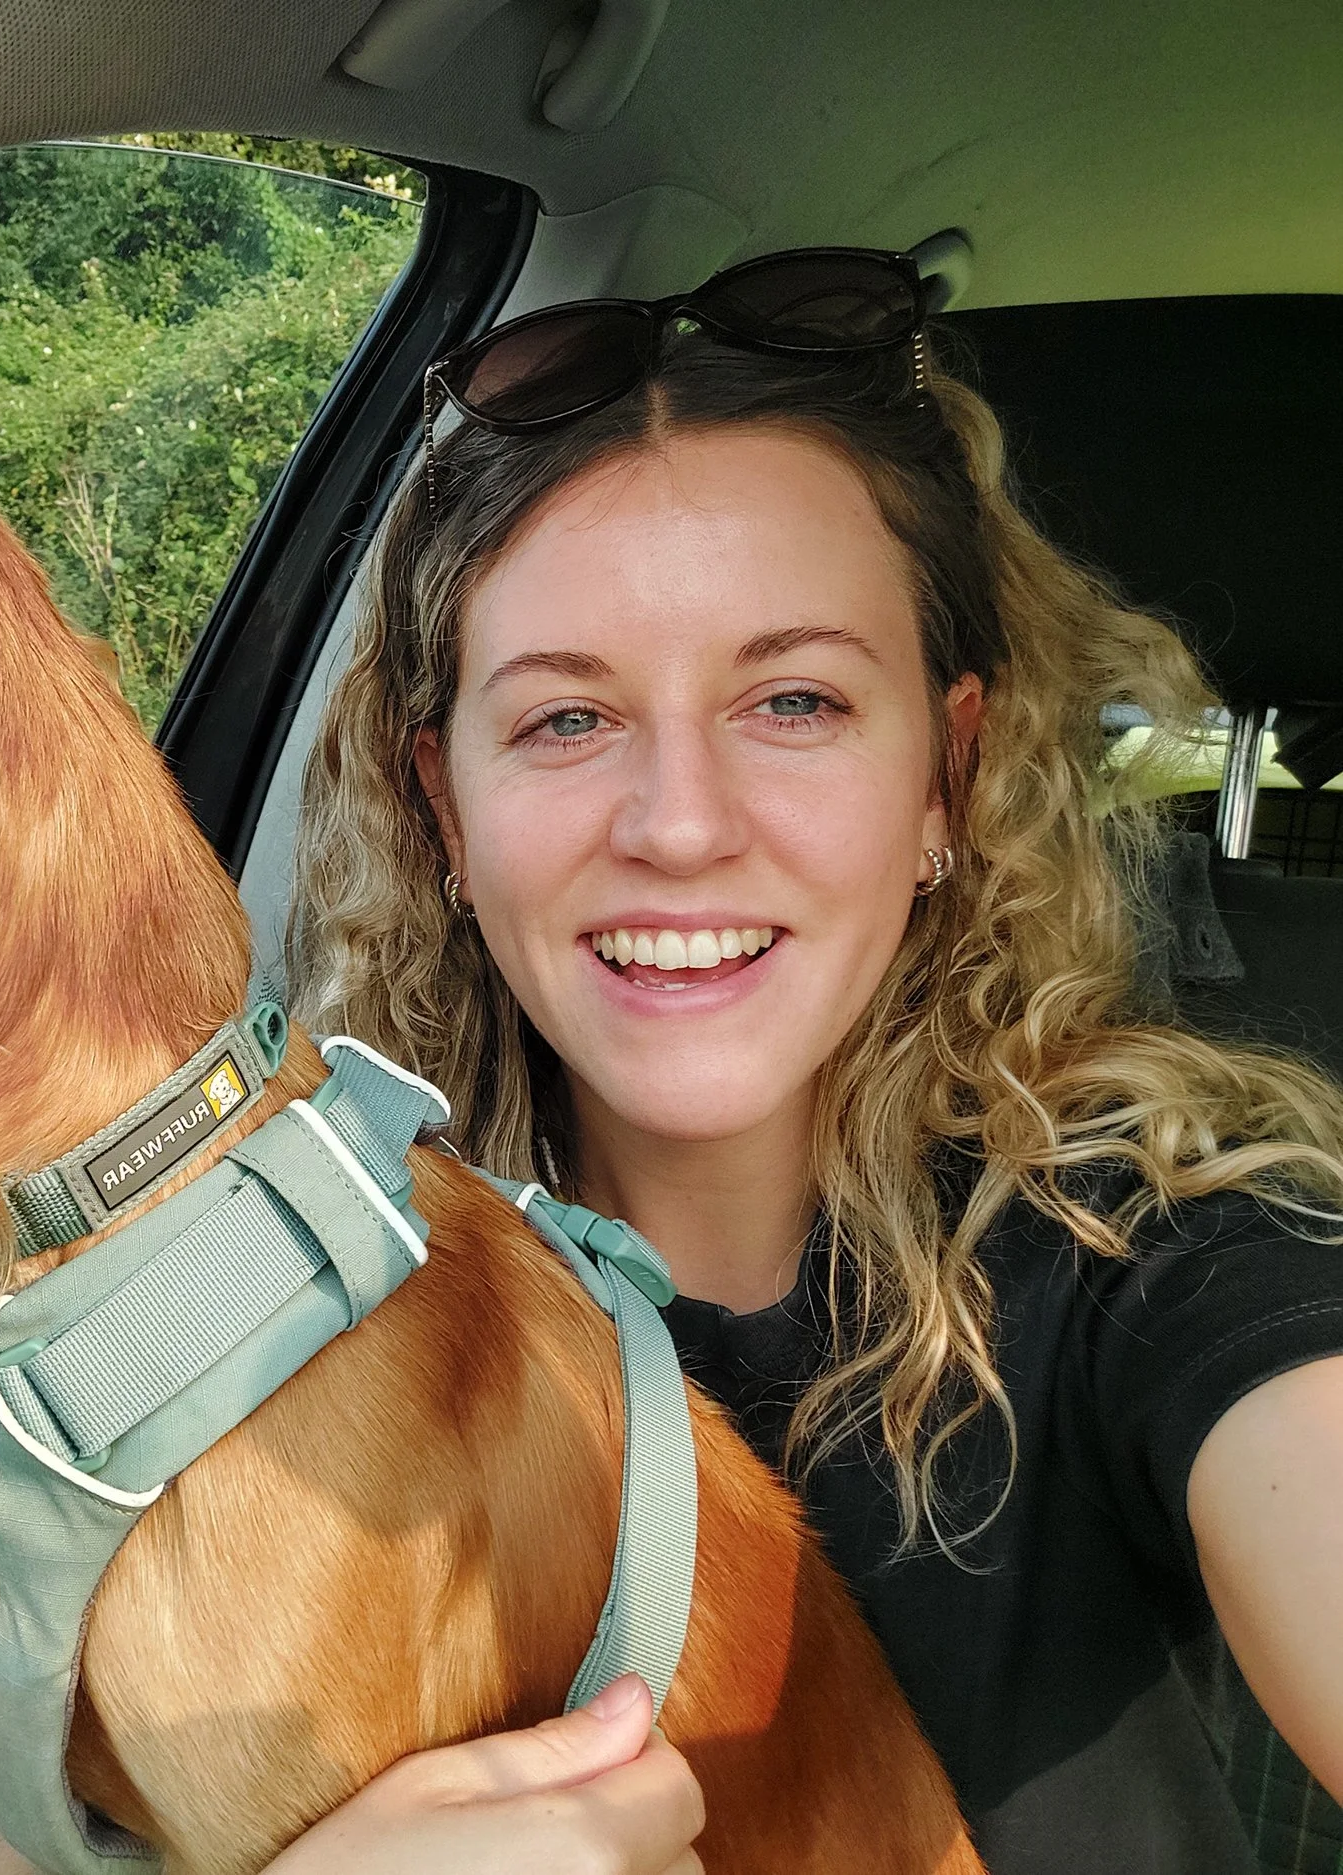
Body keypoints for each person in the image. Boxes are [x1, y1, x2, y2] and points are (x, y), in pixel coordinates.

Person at [270, 248, 1343, 1874]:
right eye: (566, 719)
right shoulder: (304, 1292)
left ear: (945, 776)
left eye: (793, 699)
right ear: (445, 808)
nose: (680, 825)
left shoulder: (1162, 1240)